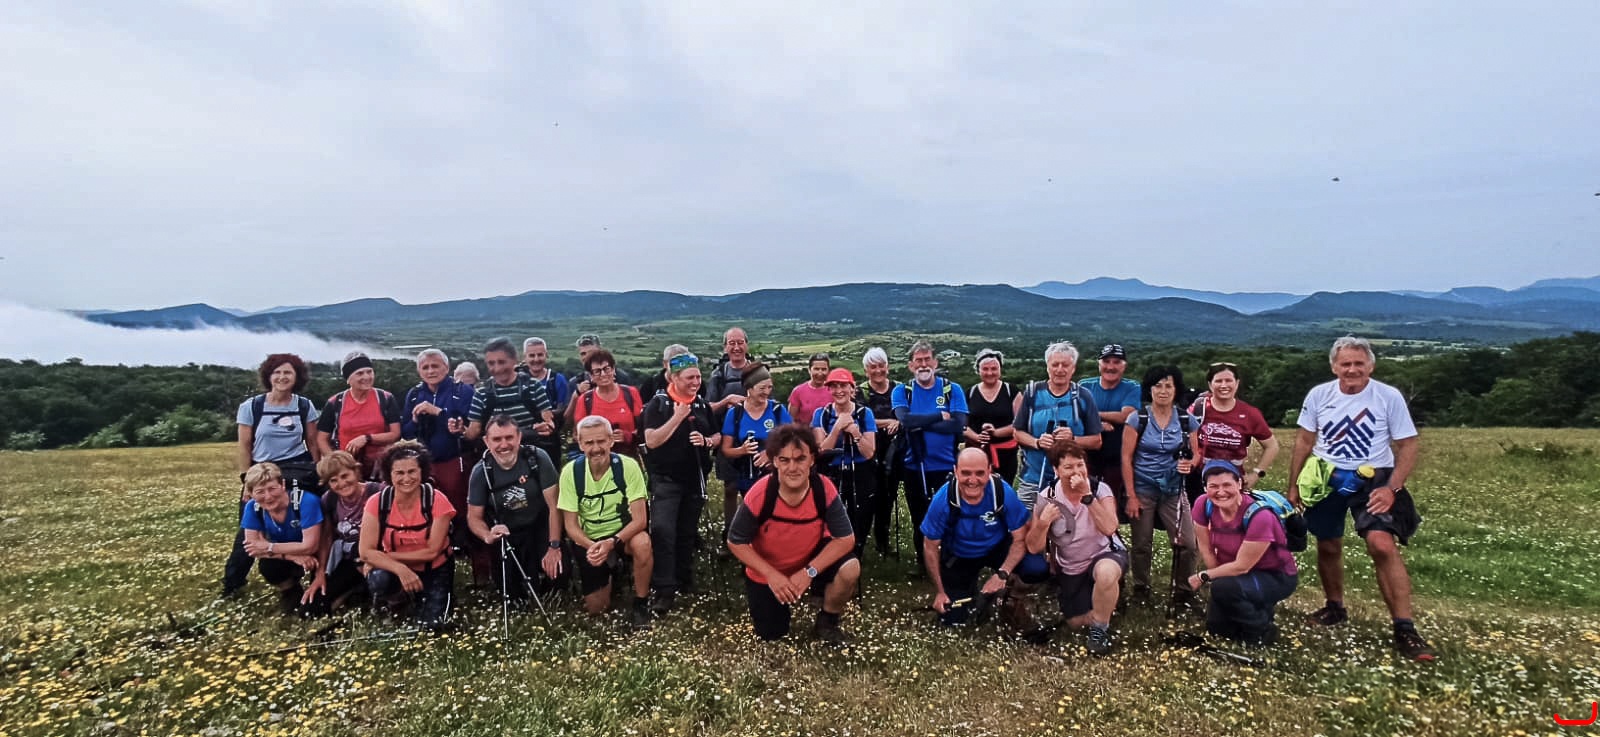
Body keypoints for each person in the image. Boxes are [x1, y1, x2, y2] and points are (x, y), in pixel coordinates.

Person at [1287, 336, 1433, 661]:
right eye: (1346, 364)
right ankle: (1334, 607)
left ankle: (1405, 628)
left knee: (1381, 545)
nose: (1352, 370)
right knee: (1327, 544)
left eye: (1359, 363)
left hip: (1375, 478)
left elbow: (1408, 445)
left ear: (1371, 366)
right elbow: (1304, 440)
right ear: (1334, 367)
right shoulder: (1319, 395)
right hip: (1326, 475)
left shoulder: (1387, 396)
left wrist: (1392, 488)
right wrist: (1294, 486)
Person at [727, 423, 859, 643]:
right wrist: (771, 575)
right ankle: (779, 600)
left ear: (812, 460)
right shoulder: (760, 493)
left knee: (850, 567)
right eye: (784, 460)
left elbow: (846, 539)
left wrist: (809, 572)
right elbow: (735, 541)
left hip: (809, 561)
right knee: (772, 634)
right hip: (768, 571)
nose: (793, 467)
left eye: (800, 459)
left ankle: (828, 620)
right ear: (774, 461)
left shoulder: (823, 488)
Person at [224, 353, 321, 598]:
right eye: (277, 372)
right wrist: (247, 481)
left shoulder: (304, 406)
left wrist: (319, 471)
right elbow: (245, 445)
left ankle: (317, 576)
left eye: (288, 372)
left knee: (309, 520)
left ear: (297, 377)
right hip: (261, 470)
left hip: (297, 468)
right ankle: (232, 583)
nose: (282, 377)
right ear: (268, 376)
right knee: (249, 527)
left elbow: (312, 442)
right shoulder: (252, 407)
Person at [919, 448, 1041, 632]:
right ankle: (972, 591)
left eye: (980, 473)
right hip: (960, 553)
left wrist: (1003, 573)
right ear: (955, 471)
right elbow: (930, 547)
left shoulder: (1002, 492)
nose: (973, 480)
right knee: (952, 619)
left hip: (996, 547)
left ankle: (1011, 592)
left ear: (989, 471)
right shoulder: (942, 500)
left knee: (1036, 567)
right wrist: (940, 591)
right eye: (966, 473)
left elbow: (1020, 538)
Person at [1026, 444, 1128, 655]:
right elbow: (1034, 547)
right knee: (1074, 623)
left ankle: (1100, 629)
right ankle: (1106, 604)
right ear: (1056, 470)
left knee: (1106, 573)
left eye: (1080, 465)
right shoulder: (1047, 496)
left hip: (1104, 552)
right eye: (1068, 467)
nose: (1076, 472)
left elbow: (1110, 527)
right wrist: (1043, 523)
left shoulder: (1100, 489)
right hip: (1071, 566)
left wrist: (1087, 497)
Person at [640, 346, 719, 615]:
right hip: (666, 479)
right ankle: (664, 588)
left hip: (695, 478)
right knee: (663, 531)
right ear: (674, 378)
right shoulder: (658, 404)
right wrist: (677, 417)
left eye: (698, 377)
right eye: (689, 378)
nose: (696, 382)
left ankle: (685, 580)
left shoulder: (702, 404)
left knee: (686, 532)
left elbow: (718, 436)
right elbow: (651, 440)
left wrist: (707, 441)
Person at [1188, 461, 1299, 646]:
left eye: (1227, 485)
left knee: (1225, 589)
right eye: (1213, 486)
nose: (1220, 492)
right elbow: (1205, 548)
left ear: (1239, 484)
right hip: (1235, 572)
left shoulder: (1260, 516)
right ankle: (1253, 604)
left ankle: (1262, 629)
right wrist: (1217, 578)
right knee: (1217, 629)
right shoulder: (1203, 504)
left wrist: (1205, 576)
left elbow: (1242, 566)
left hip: (1274, 576)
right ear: (1205, 487)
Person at [559, 416, 653, 627]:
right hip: (589, 540)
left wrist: (611, 543)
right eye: (589, 443)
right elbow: (570, 525)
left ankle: (641, 602)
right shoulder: (570, 472)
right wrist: (592, 547)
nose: (596, 448)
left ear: (611, 440)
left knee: (643, 543)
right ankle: (613, 573)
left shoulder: (628, 466)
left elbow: (640, 520)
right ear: (580, 444)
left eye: (601, 441)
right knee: (597, 609)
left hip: (622, 535)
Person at [400, 349, 484, 584]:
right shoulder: (414, 394)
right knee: (429, 518)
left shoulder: (462, 391)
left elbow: (470, 425)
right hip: (425, 465)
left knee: (466, 514)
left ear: (447, 368)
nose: (430, 371)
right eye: (425, 367)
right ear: (419, 371)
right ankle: (434, 573)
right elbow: (405, 432)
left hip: (456, 460)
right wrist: (415, 419)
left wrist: (438, 412)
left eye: (435, 366)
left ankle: (482, 571)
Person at [1121, 365, 1202, 609]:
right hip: (1143, 488)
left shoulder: (1187, 420)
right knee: (1141, 543)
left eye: (1168, 386)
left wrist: (1190, 464)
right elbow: (1126, 458)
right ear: (1150, 389)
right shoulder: (1137, 419)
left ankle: (1183, 590)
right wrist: (1131, 496)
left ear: (1176, 389)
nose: (1163, 391)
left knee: (1188, 543)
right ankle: (1141, 588)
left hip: (1174, 490)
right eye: (1158, 385)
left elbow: (1197, 454)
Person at [359, 441, 456, 629]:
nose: (406, 478)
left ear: (422, 472)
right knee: (379, 577)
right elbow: (365, 552)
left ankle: (427, 599)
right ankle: (396, 602)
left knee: (432, 627)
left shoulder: (437, 500)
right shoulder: (376, 502)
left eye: (412, 471)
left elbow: (431, 552)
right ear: (389, 474)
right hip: (396, 568)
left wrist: (383, 557)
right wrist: (400, 569)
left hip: (434, 568)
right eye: (399, 473)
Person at [466, 416, 563, 601]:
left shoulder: (537, 458)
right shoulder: (481, 472)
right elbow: (474, 517)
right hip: (507, 532)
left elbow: (555, 507)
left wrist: (554, 547)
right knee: (512, 593)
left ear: (519, 437)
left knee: (558, 576)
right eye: (497, 439)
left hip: (540, 525)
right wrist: (487, 535)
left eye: (509, 437)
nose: (504, 445)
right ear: (486, 441)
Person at [893, 340, 969, 569]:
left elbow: (958, 424)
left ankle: (951, 563)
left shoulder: (952, 389)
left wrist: (921, 423)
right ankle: (924, 564)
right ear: (910, 365)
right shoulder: (902, 391)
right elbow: (906, 421)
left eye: (927, 359)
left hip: (948, 466)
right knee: (920, 518)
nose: (923, 364)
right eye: (918, 360)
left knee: (951, 516)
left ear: (935, 363)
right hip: (914, 466)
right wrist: (938, 416)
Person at [1013, 342, 1103, 509]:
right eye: (1055, 365)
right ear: (1047, 367)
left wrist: (1073, 439)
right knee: (1029, 524)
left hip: (1072, 481)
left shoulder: (1083, 396)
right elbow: (1017, 433)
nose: (1060, 369)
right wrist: (1037, 442)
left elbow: (1097, 441)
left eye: (1065, 365)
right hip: (1034, 478)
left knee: (1069, 525)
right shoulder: (1032, 393)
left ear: (1073, 368)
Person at [239, 462, 326, 615]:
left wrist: (268, 547)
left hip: (321, 554)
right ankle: (290, 590)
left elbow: (310, 546)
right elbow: (252, 548)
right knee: (268, 566)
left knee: (315, 608)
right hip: (290, 553)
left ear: (283, 485)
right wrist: (293, 557)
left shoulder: (305, 501)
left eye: (272, 488)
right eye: (260, 491)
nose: (268, 496)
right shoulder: (253, 507)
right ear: (251, 493)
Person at [720, 363, 794, 532]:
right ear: (749, 388)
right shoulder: (735, 414)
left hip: (776, 475)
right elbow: (726, 450)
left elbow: (792, 439)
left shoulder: (777, 410)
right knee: (754, 516)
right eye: (762, 388)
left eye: (770, 387)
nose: (766, 392)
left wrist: (771, 453)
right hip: (747, 476)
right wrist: (742, 450)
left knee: (776, 516)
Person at [813, 367, 877, 557]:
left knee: (861, 514)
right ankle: (833, 555)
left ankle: (856, 554)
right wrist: (837, 428)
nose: (839, 391)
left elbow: (869, 452)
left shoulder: (865, 414)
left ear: (852, 388)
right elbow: (821, 451)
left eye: (843, 386)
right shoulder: (821, 414)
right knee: (832, 515)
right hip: (832, 470)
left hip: (861, 470)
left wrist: (855, 432)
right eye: (834, 386)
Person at [310, 451, 380, 613]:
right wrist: (320, 573)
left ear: (356, 471)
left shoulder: (377, 491)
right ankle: (355, 589)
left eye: (344, 476)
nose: (341, 483)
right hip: (348, 558)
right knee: (314, 608)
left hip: (378, 555)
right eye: (333, 480)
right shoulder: (329, 499)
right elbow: (327, 537)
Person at [1191, 363, 1278, 492]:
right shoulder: (1198, 408)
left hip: (1233, 481)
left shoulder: (1250, 413)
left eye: (1228, 380)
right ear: (1210, 384)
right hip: (1199, 480)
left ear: (1237, 383)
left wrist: (1256, 474)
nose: (1223, 385)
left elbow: (1272, 446)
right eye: (1218, 381)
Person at [315, 351, 402, 480]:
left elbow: (395, 434)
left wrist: (366, 438)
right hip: (347, 469)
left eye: (369, 372)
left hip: (381, 468)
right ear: (348, 379)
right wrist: (335, 461)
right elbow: (321, 439)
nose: (366, 377)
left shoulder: (385, 398)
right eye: (360, 373)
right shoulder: (335, 403)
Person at [1079, 344, 1141, 518]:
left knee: (1110, 504)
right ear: (1099, 363)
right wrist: (1099, 424)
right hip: (1086, 457)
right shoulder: (1084, 386)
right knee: (1083, 502)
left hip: (1116, 459)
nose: (1111, 367)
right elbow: (1076, 415)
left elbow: (1127, 415)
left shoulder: (1132, 387)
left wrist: (1093, 415)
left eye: (1117, 362)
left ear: (1124, 365)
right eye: (1106, 361)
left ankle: (1111, 534)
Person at [464, 337, 556, 444]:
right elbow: (473, 433)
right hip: (498, 451)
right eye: (491, 363)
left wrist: (545, 427)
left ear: (514, 360)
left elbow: (549, 422)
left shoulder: (533, 386)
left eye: (502, 362)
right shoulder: (481, 394)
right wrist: (460, 430)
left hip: (530, 450)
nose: (497, 368)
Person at [857, 348, 901, 557]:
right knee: (868, 497)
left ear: (887, 367)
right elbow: (860, 418)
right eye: (872, 367)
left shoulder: (899, 390)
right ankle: (860, 541)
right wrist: (891, 421)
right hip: (868, 453)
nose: (877, 370)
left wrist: (900, 422)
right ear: (866, 370)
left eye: (881, 365)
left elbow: (907, 415)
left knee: (888, 497)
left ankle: (882, 542)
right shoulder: (861, 392)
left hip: (895, 451)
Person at [703, 327, 752, 500]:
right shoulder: (719, 374)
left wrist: (746, 403)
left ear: (747, 345)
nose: (736, 347)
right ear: (725, 347)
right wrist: (726, 401)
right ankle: (731, 519)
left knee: (755, 487)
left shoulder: (757, 372)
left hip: (754, 436)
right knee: (730, 487)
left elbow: (771, 405)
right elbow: (708, 408)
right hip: (727, 437)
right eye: (732, 343)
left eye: (740, 343)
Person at [572, 349, 646, 459]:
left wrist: (627, 436)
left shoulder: (630, 393)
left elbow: (643, 427)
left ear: (613, 370)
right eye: (597, 371)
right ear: (591, 376)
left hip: (628, 454)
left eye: (606, 369)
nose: (603, 374)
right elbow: (578, 435)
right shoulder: (585, 400)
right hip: (597, 456)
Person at [963, 349, 1020, 485]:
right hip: (976, 453)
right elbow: (961, 425)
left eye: (994, 369)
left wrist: (996, 432)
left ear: (1000, 369)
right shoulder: (970, 393)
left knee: (1003, 490)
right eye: (985, 369)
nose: (990, 373)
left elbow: (1020, 424)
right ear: (978, 370)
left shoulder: (1012, 391)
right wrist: (977, 437)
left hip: (1006, 455)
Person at [518, 337, 571, 463]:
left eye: (540, 355)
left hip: (549, 440)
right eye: (532, 355)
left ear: (546, 355)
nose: (536, 359)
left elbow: (563, 408)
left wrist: (544, 418)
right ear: (525, 357)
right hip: (521, 440)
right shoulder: (517, 380)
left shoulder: (557, 379)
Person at [787, 353, 834, 427]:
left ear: (828, 371)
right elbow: (790, 420)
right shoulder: (798, 391)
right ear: (809, 370)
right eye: (816, 369)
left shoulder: (834, 391)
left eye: (824, 369)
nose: (820, 373)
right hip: (804, 432)